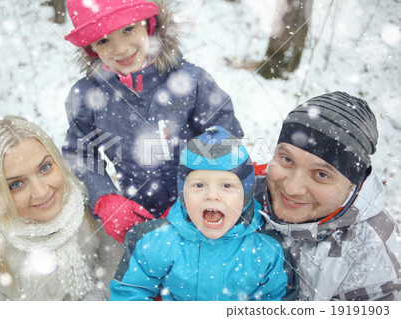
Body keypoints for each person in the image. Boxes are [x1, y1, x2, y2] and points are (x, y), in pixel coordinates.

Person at [62, 0, 244, 231]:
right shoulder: (89, 96)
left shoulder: (190, 81)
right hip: (137, 217)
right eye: (104, 40)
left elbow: (224, 136)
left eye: (128, 29)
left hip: (202, 216)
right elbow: (79, 152)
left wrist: (195, 195)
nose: (120, 49)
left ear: (148, 24)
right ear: (91, 48)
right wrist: (105, 199)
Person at [108, 126, 298, 300]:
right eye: (199, 185)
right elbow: (130, 293)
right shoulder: (155, 240)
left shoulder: (268, 249)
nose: (212, 195)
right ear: (183, 193)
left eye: (227, 185)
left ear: (246, 194)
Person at [0, 116, 122, 301]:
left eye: (45, 168)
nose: (41, 192)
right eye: (16, 185)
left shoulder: (84, 200)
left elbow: (116, 264)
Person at [255, 91, 401, 301]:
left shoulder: (375, 258)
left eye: (321, 174)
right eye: (287, 159)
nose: (292, 188)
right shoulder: (237, 191)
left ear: (353, 184)